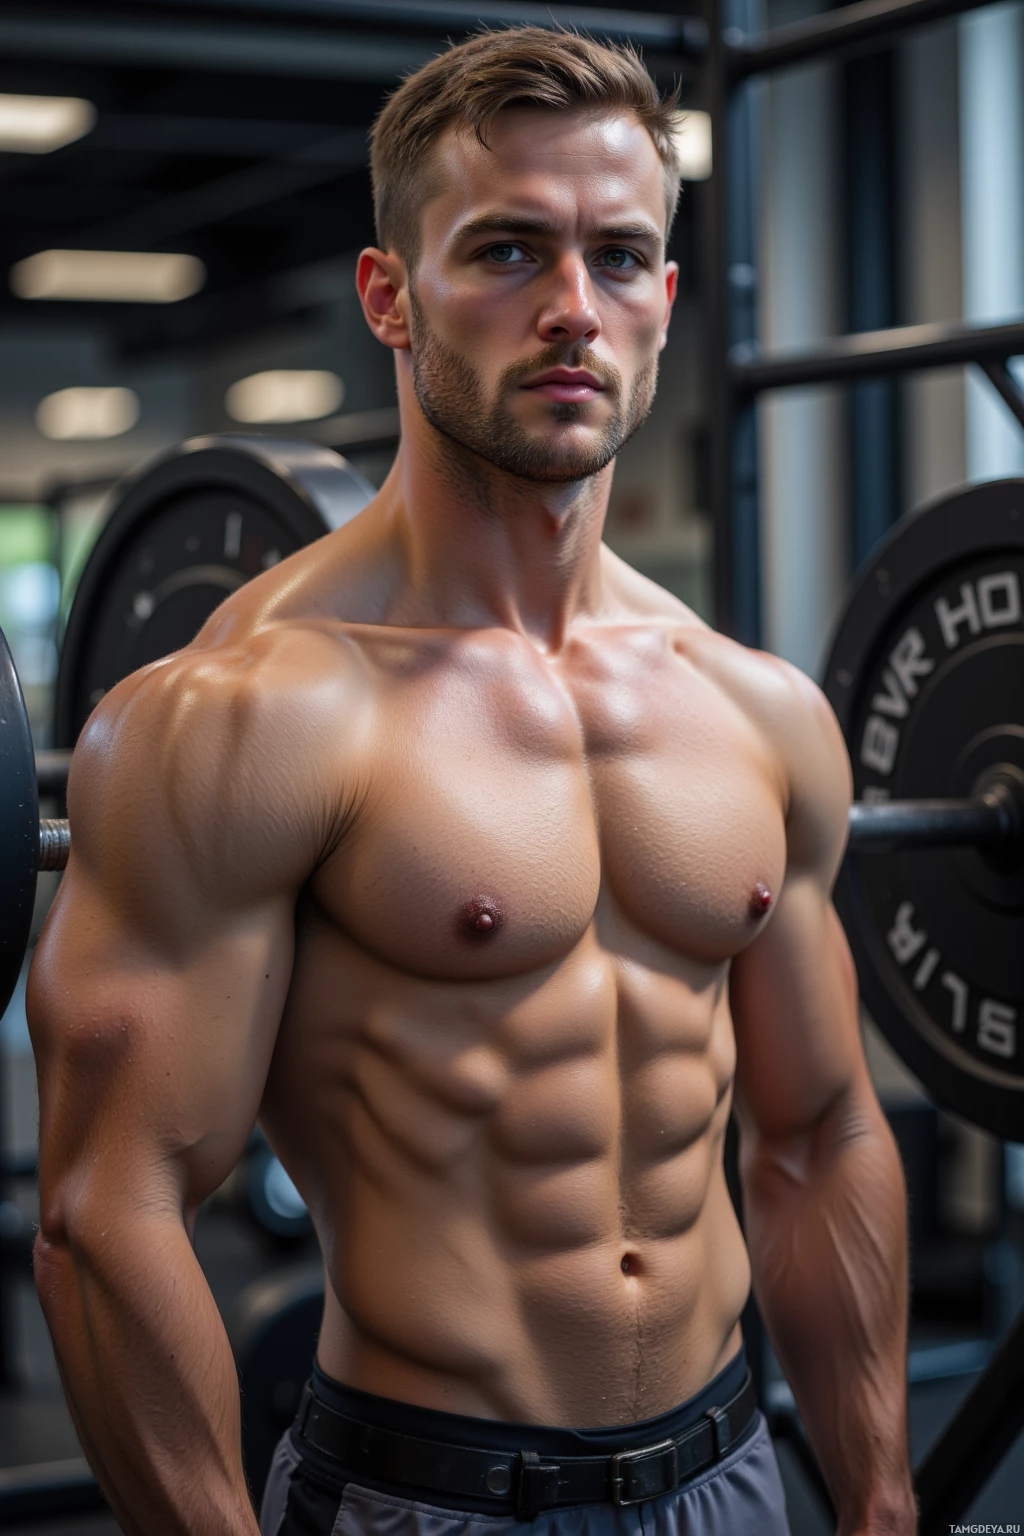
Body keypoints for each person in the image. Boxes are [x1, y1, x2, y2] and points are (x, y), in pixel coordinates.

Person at [28, 25, 915, 1536]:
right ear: (391, 294)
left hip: (733, 1478)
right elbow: (106, 1211)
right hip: (425, 1498)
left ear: (667, 299)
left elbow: (819, 1132)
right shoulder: (247, 717)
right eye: (508, 251)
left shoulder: (758, 710)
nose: (574, 309)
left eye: (620, 259)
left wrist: (883, 1498)